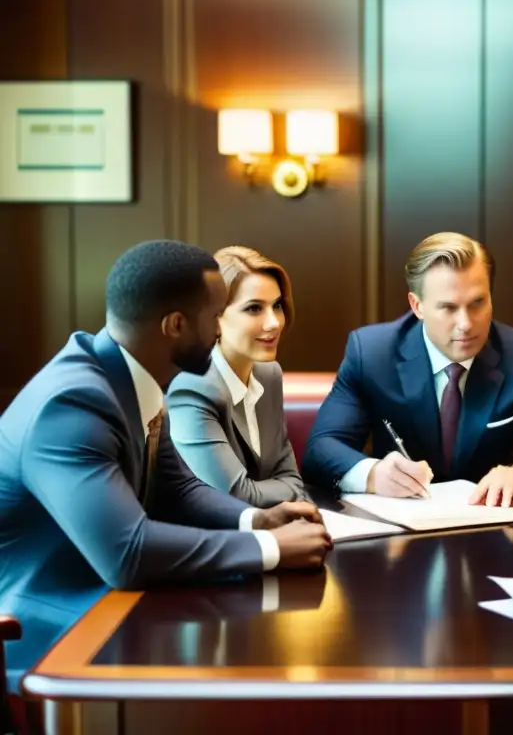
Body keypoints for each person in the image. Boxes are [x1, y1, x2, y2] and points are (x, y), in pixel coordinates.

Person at [0, 240, 333, 688]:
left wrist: (258, 519)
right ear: (175, 325)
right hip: (52, 628)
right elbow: (128, 553)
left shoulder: (137, 376)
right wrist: (270, 551)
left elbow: (176, 490)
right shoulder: (71, 406)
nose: (223, 329)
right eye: (216, 315)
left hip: (119, 603)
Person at [303, 232, 513, 506]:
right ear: (417, 305)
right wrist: (373, 475)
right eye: (448, 308)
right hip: (399, 530)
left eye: (477, 303)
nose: (466, 324)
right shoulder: (372, 354)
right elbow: (322, 448)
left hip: (491, 524)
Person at [168, 246, 310, 508]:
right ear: (214, 319)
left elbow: (292, 478)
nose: (274, 322)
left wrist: (275, 489)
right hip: (206, 541)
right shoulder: (191, 386)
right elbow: (234, 496)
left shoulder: (269, 375)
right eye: (254, 308)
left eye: (276, 306)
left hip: (267, 532)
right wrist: (283, 490)